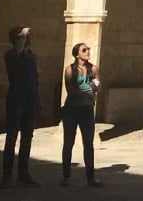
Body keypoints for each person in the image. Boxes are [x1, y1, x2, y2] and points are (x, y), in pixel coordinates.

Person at [2, 25, 40, 188]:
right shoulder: (11, 55)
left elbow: (35, 79)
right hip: (16, 100)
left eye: (28, 36)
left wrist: (38, 101)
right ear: (16, 39)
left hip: (30, 100)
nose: (28, 37)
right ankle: (7, 175)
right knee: (11, 138)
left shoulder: (32, 56)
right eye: (24, 36)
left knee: (27, 139)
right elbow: (17, 53)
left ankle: (23, 173)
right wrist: (22, 35)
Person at [62, 42, 104, 187]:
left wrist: (96, 87)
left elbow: (97, 86)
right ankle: (66, 176)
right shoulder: (70, 70)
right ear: (77, 54)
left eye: (88, 49)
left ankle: (90, 177)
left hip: (87, 110)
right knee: (69, 142)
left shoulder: (93, 68)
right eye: (84, 50)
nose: (87, 52)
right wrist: (86, 94)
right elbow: (71, 91)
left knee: (88, 144)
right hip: (72, 109)